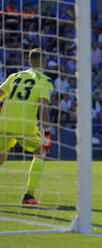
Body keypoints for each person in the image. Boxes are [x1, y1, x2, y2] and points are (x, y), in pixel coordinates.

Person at [0, 48, 54, 204]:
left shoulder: (14, 76)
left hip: (3, 122)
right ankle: (29, 195)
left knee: (1, 158)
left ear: (29, 61)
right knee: (41, 152)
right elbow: (43, 107)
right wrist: (47, 133)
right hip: (25, 126)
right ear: (45, 63)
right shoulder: (44, 80)